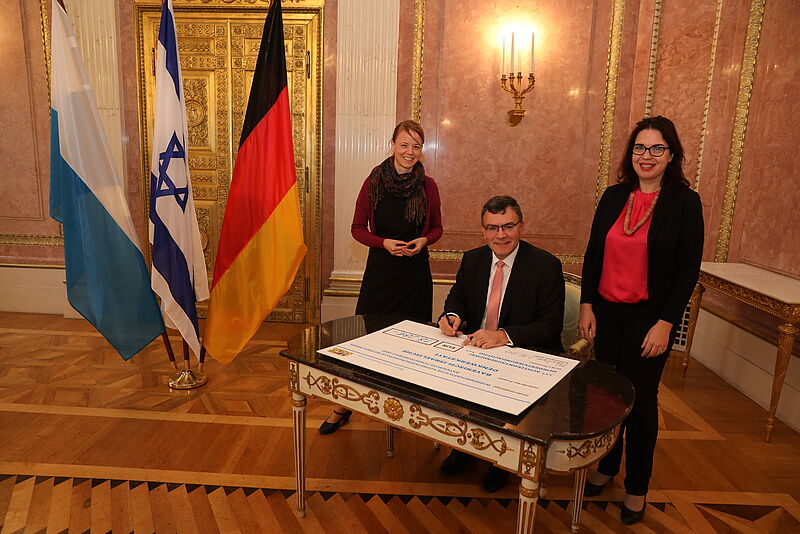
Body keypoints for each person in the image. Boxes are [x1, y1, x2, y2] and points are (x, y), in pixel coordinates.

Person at [579, 116, 704, 525]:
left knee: (641, 404)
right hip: (606, 314)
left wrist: (667, 323)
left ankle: (636, 487)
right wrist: (586, 305)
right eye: (639, 148)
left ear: (671, 155)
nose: (646, 156)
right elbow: (593, 254)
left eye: (656, 148)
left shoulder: (685, 203)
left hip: (649, 320)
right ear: (630, 153)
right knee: (605, 398)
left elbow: (688, 269)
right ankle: (606, 466)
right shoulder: (613, 196)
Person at [318, 119, 443, 435]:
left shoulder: (429, 186)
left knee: (410, 344)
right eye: (404, 144)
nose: (409, 151)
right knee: (365, 340)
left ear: (422, 150)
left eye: (416, 146)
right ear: (393, 145)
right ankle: (344, 405)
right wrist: (383, 242)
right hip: (380, 271)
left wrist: (424, 240)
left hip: (415, 272)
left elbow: (437, 228)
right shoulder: (373, 181)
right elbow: (357, 229)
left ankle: (399, 407)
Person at [437, 195, 564, 492]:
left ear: (521, 227)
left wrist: (503, 336)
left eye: (508, 226)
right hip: (477, 349)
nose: (501, 235)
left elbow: (550, 326)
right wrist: (451, 316)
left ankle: (501, 460)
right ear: (483, 231)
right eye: (493, 228)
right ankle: (465, 447)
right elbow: (457, 298)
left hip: (522, 355)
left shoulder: (545, 265)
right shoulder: (473, 259)